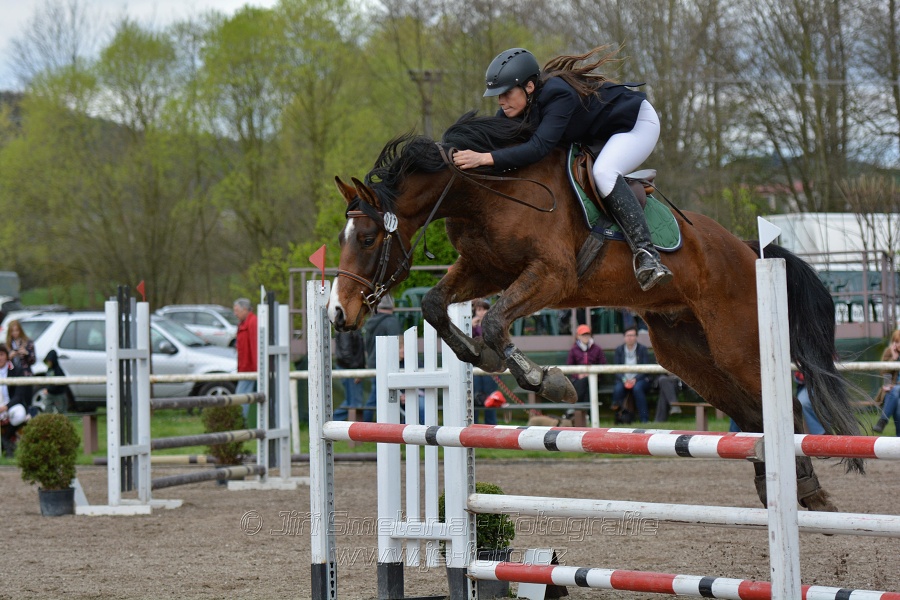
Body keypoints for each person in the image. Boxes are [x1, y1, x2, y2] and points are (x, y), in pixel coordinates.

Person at [453, 46, 673, 292]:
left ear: (529, 87)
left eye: (506, 93)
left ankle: (647, 255)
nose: (501, 101)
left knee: (604, 172)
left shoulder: (559, 95)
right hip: (598, 133)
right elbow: (500, 142)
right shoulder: (514, 108)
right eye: (497, 95)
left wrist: (484, 158)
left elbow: (538, 148)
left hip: (635, 125)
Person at [362, 295, 402, 422]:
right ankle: (367, 425)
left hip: (373, 363)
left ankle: (366, 424)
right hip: (387, 365)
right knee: (382, 397)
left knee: (375, 396)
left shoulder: (369, 322)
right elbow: (397, 344)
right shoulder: (392, 322)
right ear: (392, 306)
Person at [610, 326, 653, 423]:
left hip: (640, 379)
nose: (630, 337)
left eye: (632, 335)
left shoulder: (642, 349)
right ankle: (618, 418)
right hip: (623, 379)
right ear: (624, 337)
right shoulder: (619, 350)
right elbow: (616, 369)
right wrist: (625, 380)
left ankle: (644, 419)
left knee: (638, 388)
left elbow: (645, 369)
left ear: (636, 337)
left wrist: (635, 379)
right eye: (628, 335)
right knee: (618, 389)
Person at [0, 344, 34, 457]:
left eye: (1, 354)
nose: (0, 358)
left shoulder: (16, 370)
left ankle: (5, 439)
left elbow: (19, 395)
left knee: (19, 414)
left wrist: (6, 407)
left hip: (10, 405)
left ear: (6, 356)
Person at [472, 298, 498, 425]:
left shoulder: (493, 324)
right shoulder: (470, 325)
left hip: (490, 365)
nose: (481, 312)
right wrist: (471, 327)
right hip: (475, 365)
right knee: (474, 397)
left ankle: (491, 425)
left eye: (484, 309)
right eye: (478, 310)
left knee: (491, 397)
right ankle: (474, 425)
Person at [566, 324, 606, 405]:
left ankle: (573, 408)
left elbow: (603, 364)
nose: (585, 336)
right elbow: (569, 366)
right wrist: (578, 375)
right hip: (578, 380)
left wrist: (593, 372)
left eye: (587, 334)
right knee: (586, 385)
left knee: (587, 383)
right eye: (583, 335)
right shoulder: (573, 349)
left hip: (595, 378)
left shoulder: (597, 349)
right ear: (578, 336)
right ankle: (588, 413)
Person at [233, 298, 258, 421]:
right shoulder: (245, 323)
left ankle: (239, 422)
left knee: (241, 397)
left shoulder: (252, 323)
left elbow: (255, 346)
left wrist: (257, 368)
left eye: (237, 310)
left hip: (250, 368)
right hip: (246, 368)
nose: (235, 313)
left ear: (244, 309)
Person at [333, 330, 365, 421]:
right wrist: (356, 371)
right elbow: (346, 353)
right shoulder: (346, 330)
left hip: (349, 368)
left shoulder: (348, 330)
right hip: (349, 369)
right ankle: (331, 420)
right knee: (355, 403)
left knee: (351, 401)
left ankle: (331, 420)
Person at [874, 329, 900, 433]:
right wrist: (894, 358)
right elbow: (883, 372)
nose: (899, 344)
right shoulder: (889, 352)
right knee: (898, 401)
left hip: (895, 389)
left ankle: (883, 420)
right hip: (892, 392)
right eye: (897, 342)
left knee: (896, 390)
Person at [6, 320, 35, 407]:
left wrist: (26, 353)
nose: (15, 333)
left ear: (20, 330)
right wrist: (9, 357)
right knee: (13, 399)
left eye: (17, 330)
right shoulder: (7, 345)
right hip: (12, 376)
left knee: (27, 400)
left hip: (26, 375)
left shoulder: (28, 342)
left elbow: (33, 360)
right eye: (12, 331)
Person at [40, 349, 70, 414]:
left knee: (61, 411)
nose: (48, 363)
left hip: (58, 394)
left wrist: (49, 389)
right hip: (50, 394)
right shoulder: (49, 370)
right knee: (48, 410)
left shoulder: (58, 371)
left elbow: (60, 383)